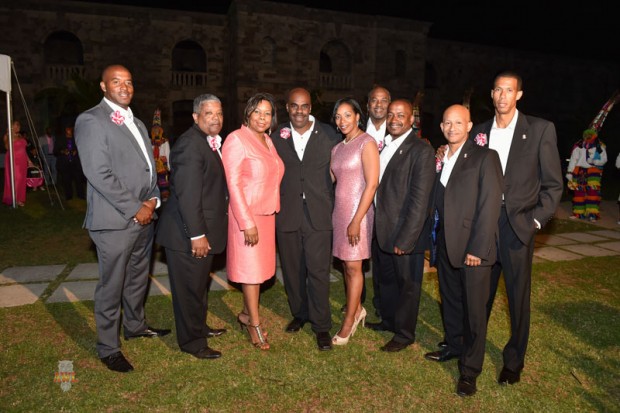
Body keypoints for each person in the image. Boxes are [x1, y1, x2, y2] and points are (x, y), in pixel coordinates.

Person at [75, 64, 170, 373]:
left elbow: (149, 168)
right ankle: (108, 348)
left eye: (129, 82)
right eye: (116, 81)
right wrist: (135, 208)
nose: (124, 87)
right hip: (115, 220)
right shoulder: (91, 120)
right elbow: (98, 173)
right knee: (112, 285)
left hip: (145, 215)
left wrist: (153, 200)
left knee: (137, 277)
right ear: (103, 86)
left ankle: (135, 325)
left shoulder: (138, 123)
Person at [471, 70, 563, 385]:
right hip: (484, 224)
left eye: (509, 90)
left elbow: (553, 185)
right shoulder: (479, 131)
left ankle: (513, 361)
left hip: (517, 226)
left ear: (519, 95)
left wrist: (534, 220)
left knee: (517, 297)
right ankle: (473, 351)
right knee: (479, 294)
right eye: (498, 90)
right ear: (491, 94)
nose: (502, 96)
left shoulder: (539, 129)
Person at [423, 104, 503, 397]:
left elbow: (490, 205)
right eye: (447, 123)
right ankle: (454, 346)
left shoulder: (485, 157)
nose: (452, 127)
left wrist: (478, 248)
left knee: (474, 312)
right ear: (441, 127)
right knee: (451, 301)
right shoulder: (442, 157)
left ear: (469, 126)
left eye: (459, 123)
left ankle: (470, 370)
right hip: (445, 243)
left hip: (473, 248)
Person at [155, 94, 228, 360]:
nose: (215, 118)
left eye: (219, 113)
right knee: (188, 291)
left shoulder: (206, 142)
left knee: (197, 286)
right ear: (196, 117)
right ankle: (192, 342)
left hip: (199, 229)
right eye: (209, 113)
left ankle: (199, 328)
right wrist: (197, 235)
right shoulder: (189, 145)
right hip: (186, 234)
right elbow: (188, 195)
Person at [271, 87, 340, 351]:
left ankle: (321, 325)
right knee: (292, 269)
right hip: (287, 212)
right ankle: (300, 313)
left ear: (310, 108)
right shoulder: (276, 136)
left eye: (304, 106)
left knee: (319, 271)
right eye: (294, 106)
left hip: (319, 213)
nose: (299, 111)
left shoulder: (329, 134)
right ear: (287, 107)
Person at [367, 99, 434, 352]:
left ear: (411, 120)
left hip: (405, 233)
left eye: (400, 115)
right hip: (383, 229)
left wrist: (406, 238)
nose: (394, 120)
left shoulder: (421, 150)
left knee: (408, 286)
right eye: (391, 115)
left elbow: (420, 200)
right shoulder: (385, 145)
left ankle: (404, 334)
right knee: (386, 281)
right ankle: (389, 320)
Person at [222, 92, 284, 351]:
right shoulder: (236, 139)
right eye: (257, 111)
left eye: (267, 113)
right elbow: (233, 184)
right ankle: (254, 325)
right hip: (246, 216)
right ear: (247, 113)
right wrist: (246, 222)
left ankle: (247, 315)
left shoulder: (268, 140)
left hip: (267, 214)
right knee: (250, 272)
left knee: (259, 272)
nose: (262, 117)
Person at [330, 97, 379, 345]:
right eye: (338, 116)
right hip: (340, 213)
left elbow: (372, 184)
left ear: (358, 117)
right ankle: (357, 308)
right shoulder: (337, 148)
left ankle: (349, 321)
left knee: (354, 267)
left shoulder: (366, 143)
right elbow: (332, 181)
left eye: (347, 115)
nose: (343, 120)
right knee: (346, 266)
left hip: (358, 213)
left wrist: (356, 220)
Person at [364, 85, 391, 319]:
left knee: (383, 259)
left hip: (387, 206)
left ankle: (383, 304)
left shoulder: (399, 131)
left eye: (383, 100)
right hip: (360, 203)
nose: (379, 104)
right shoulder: (355, 129)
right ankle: (356, 301)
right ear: (368, 105)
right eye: (374, 100)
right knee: (356, 256)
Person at [565, 129, 608, 222]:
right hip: (579, 170)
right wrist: (569, 172)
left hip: (593, 171)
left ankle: (592, 214)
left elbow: (604, 159)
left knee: (592, 192)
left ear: (594, 137)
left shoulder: (599, 146)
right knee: (578, 192)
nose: (588, 138)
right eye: (586, 136)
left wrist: (595, 161)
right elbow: (573, 159)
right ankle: (578, 213)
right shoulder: (579, 146)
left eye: (590, 137)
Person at [55, 125, 86, 200]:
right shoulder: (60, 139)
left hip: (75, 163)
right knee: (66, 180)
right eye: (68, 129)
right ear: (65, 130)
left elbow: (82, 148)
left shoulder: (76, 138)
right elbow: (55, 151)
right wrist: (62, 151)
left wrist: (76, 151)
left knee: (78, 180)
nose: (69, 130)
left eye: (70, 128)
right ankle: (69, 195)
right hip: (65, 164)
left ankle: (81, 195)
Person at [3, 120, 28, 207]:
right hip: (13, 160)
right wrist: (9, 136)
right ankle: (14, 198)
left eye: (19, 125)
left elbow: (24, 150)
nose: (18, 127)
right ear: (11, 126)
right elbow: (7, 147)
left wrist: (29, 161)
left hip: (22, 160)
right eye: (16, 125)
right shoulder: (7, 135)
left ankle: (20, 198)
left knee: (22, 179)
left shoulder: (20, 135)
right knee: (15, 179)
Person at [150, 109, 171, 202]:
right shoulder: (149, 141)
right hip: (153, 164)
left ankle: (164, 197)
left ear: (161, 130)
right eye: (154, 129)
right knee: (154, 182)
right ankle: (155, 198)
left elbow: (168, 153)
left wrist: (169, 166)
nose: (156, 130)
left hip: (162, 164)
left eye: (157, 129)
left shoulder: (164, 141)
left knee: (163, 181)